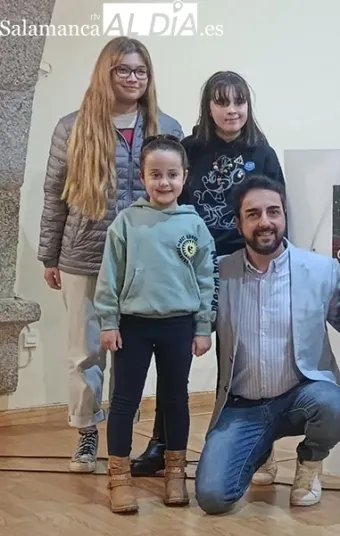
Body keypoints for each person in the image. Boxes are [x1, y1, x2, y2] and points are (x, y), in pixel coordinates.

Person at [37, 36, 183, 473]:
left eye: (141, 70)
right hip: (84, 254)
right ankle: (86, 433)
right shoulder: (72, 127)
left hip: (144, 261)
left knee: (130, 355)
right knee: (84, 353)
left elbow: (177, 197)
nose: (133, 78)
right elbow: (54, 194)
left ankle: (122, 437)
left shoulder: (166, 127)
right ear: (106, 72)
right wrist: (49, 255)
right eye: (124, 69)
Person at [131, 70, 286, 480]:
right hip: (187, 269)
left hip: (243, 269)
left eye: (239, 101)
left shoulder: (263, 153)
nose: (232, 110)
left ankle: (254, 449)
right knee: (174, 361)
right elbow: (166, 208)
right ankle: (163, 444)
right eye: (222, 102)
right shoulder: (189, 149)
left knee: (243, 364)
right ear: (209, 106)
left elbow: (276, 216)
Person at [194, 175, 340, 515]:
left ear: (284, 216)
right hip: (242, 405)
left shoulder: (321, 270)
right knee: (212, 497)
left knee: (334, 406)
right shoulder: (219, 273)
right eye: (253, 214)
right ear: (238, 224)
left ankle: (310, 463)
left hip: (300, 396)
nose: (265, 221)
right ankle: (259, 449)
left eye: (273, 212)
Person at [94, 135, 218, 513]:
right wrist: (108, 321)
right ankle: (119, 478)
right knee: (124, 400)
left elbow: (206, 280)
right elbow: (109, 276)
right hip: (133, 325)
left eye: (172, 174)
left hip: (178, 326)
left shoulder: (194, 225)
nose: (164, 182)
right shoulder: (126, 222)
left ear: (184, 177)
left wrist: (202, 326)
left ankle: (175, 473)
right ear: (142, 177)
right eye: (156, 174)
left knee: (175, 399)